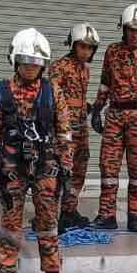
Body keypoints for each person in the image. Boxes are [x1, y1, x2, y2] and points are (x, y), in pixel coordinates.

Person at [0, 28, 72, 273]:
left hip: (46, 165)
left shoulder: (52, 92)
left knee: (48, 220)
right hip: (13, 168)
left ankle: (53, 272)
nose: (31, 67)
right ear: (15, 61)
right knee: (11, 221)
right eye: (26, 62)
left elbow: (64, 131)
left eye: (36, 63)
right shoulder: (1, 92)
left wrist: (66, 167)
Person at [89, 3, 137, 232]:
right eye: (131, 30)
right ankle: (107, 215)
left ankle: (134, 216)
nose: (135, 35)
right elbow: (105, 83)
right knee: (108, 167)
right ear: (123, 29)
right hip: (115, 114)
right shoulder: (112, 51)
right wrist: (97, 110)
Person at [52, 23, 100, 231]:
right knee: (61, 171)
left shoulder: (85, 70)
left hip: (81, 128)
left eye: (90, 48)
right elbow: (54, 97)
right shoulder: (59, 66)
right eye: (82, 46)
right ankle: (51, 215)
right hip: (65, 130)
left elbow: (78, 97)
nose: (86, 51)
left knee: (79, 170)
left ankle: (69, 210)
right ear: (73, 45)